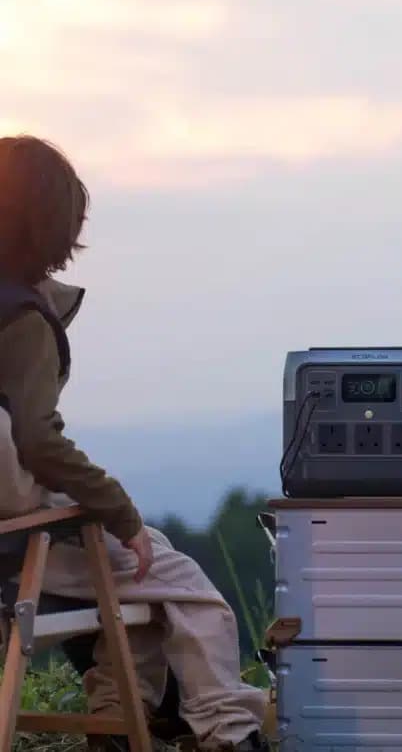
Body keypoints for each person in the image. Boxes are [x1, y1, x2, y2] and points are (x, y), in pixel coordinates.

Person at [0, 135, 270, 750]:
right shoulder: (20, 319)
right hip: (15, 546)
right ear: (57, 226)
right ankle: (230, 731)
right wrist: (119, 509)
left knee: (148, 564)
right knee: (184, 583)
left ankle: (123, 718)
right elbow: (38, 443)